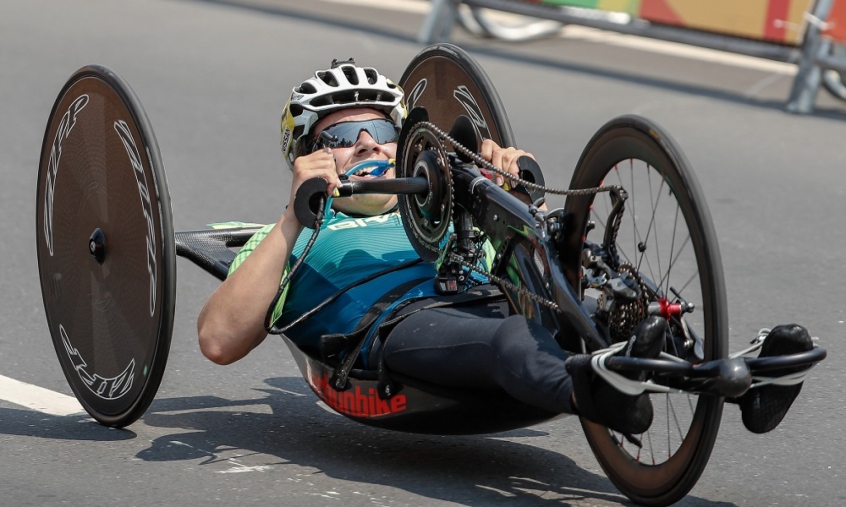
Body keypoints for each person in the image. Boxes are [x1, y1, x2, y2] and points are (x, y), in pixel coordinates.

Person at [197, 59, 812, 435]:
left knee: (604, 302)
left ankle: (740, 379)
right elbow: (219, 339)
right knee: (509, 337)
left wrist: (502, 181)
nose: (365, 144)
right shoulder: (292, 237)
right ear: (305, 153)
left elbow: (530, 258)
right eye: (338, 135)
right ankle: (592, 389)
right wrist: (291, 218)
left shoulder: (437, 205)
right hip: (400, 330)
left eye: (381, 129)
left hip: (503, 297)